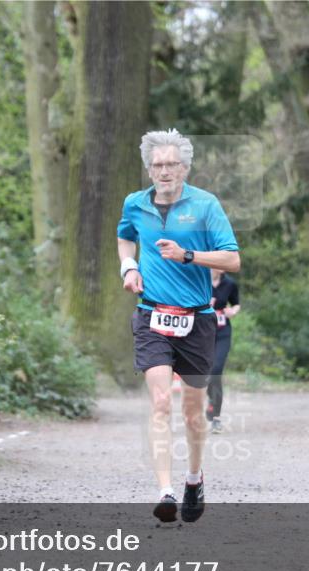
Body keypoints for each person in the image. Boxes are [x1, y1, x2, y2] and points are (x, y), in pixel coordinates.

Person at [117, 129, 241, 523]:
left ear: (185, 168)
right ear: (149, 169)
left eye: (171, 164)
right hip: (152, 314)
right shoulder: (135, 204)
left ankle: (193, 478)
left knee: (191, 413)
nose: (164, 171)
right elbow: (124, 239)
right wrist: (130, 266)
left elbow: (232, 261)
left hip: (197, 321)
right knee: (158, 403)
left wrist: (188, 256)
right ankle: (165, 491)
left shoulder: (205, 205)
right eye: (157, 165)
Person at [206, 269, 240, 434]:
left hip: (222, 332)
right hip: (202, 333)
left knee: (216, 370)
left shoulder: (230, 283)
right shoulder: (200, 278)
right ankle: (210, 399)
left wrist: (233, 311)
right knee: (206, 373)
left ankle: (216, 417)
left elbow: (236, 303)